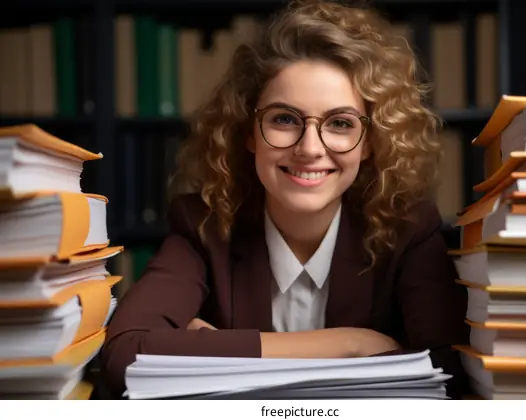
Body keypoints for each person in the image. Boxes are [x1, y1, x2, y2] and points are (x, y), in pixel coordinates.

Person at [101, 0, 470, 398]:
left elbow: (448, 375)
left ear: (370, 143)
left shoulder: (409, 230)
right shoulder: (203, 226)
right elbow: (125, 355)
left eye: (341, 123)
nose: (310, 148)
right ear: (248, 132)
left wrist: (214, 350)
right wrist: (351, 345)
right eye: (284, 119)